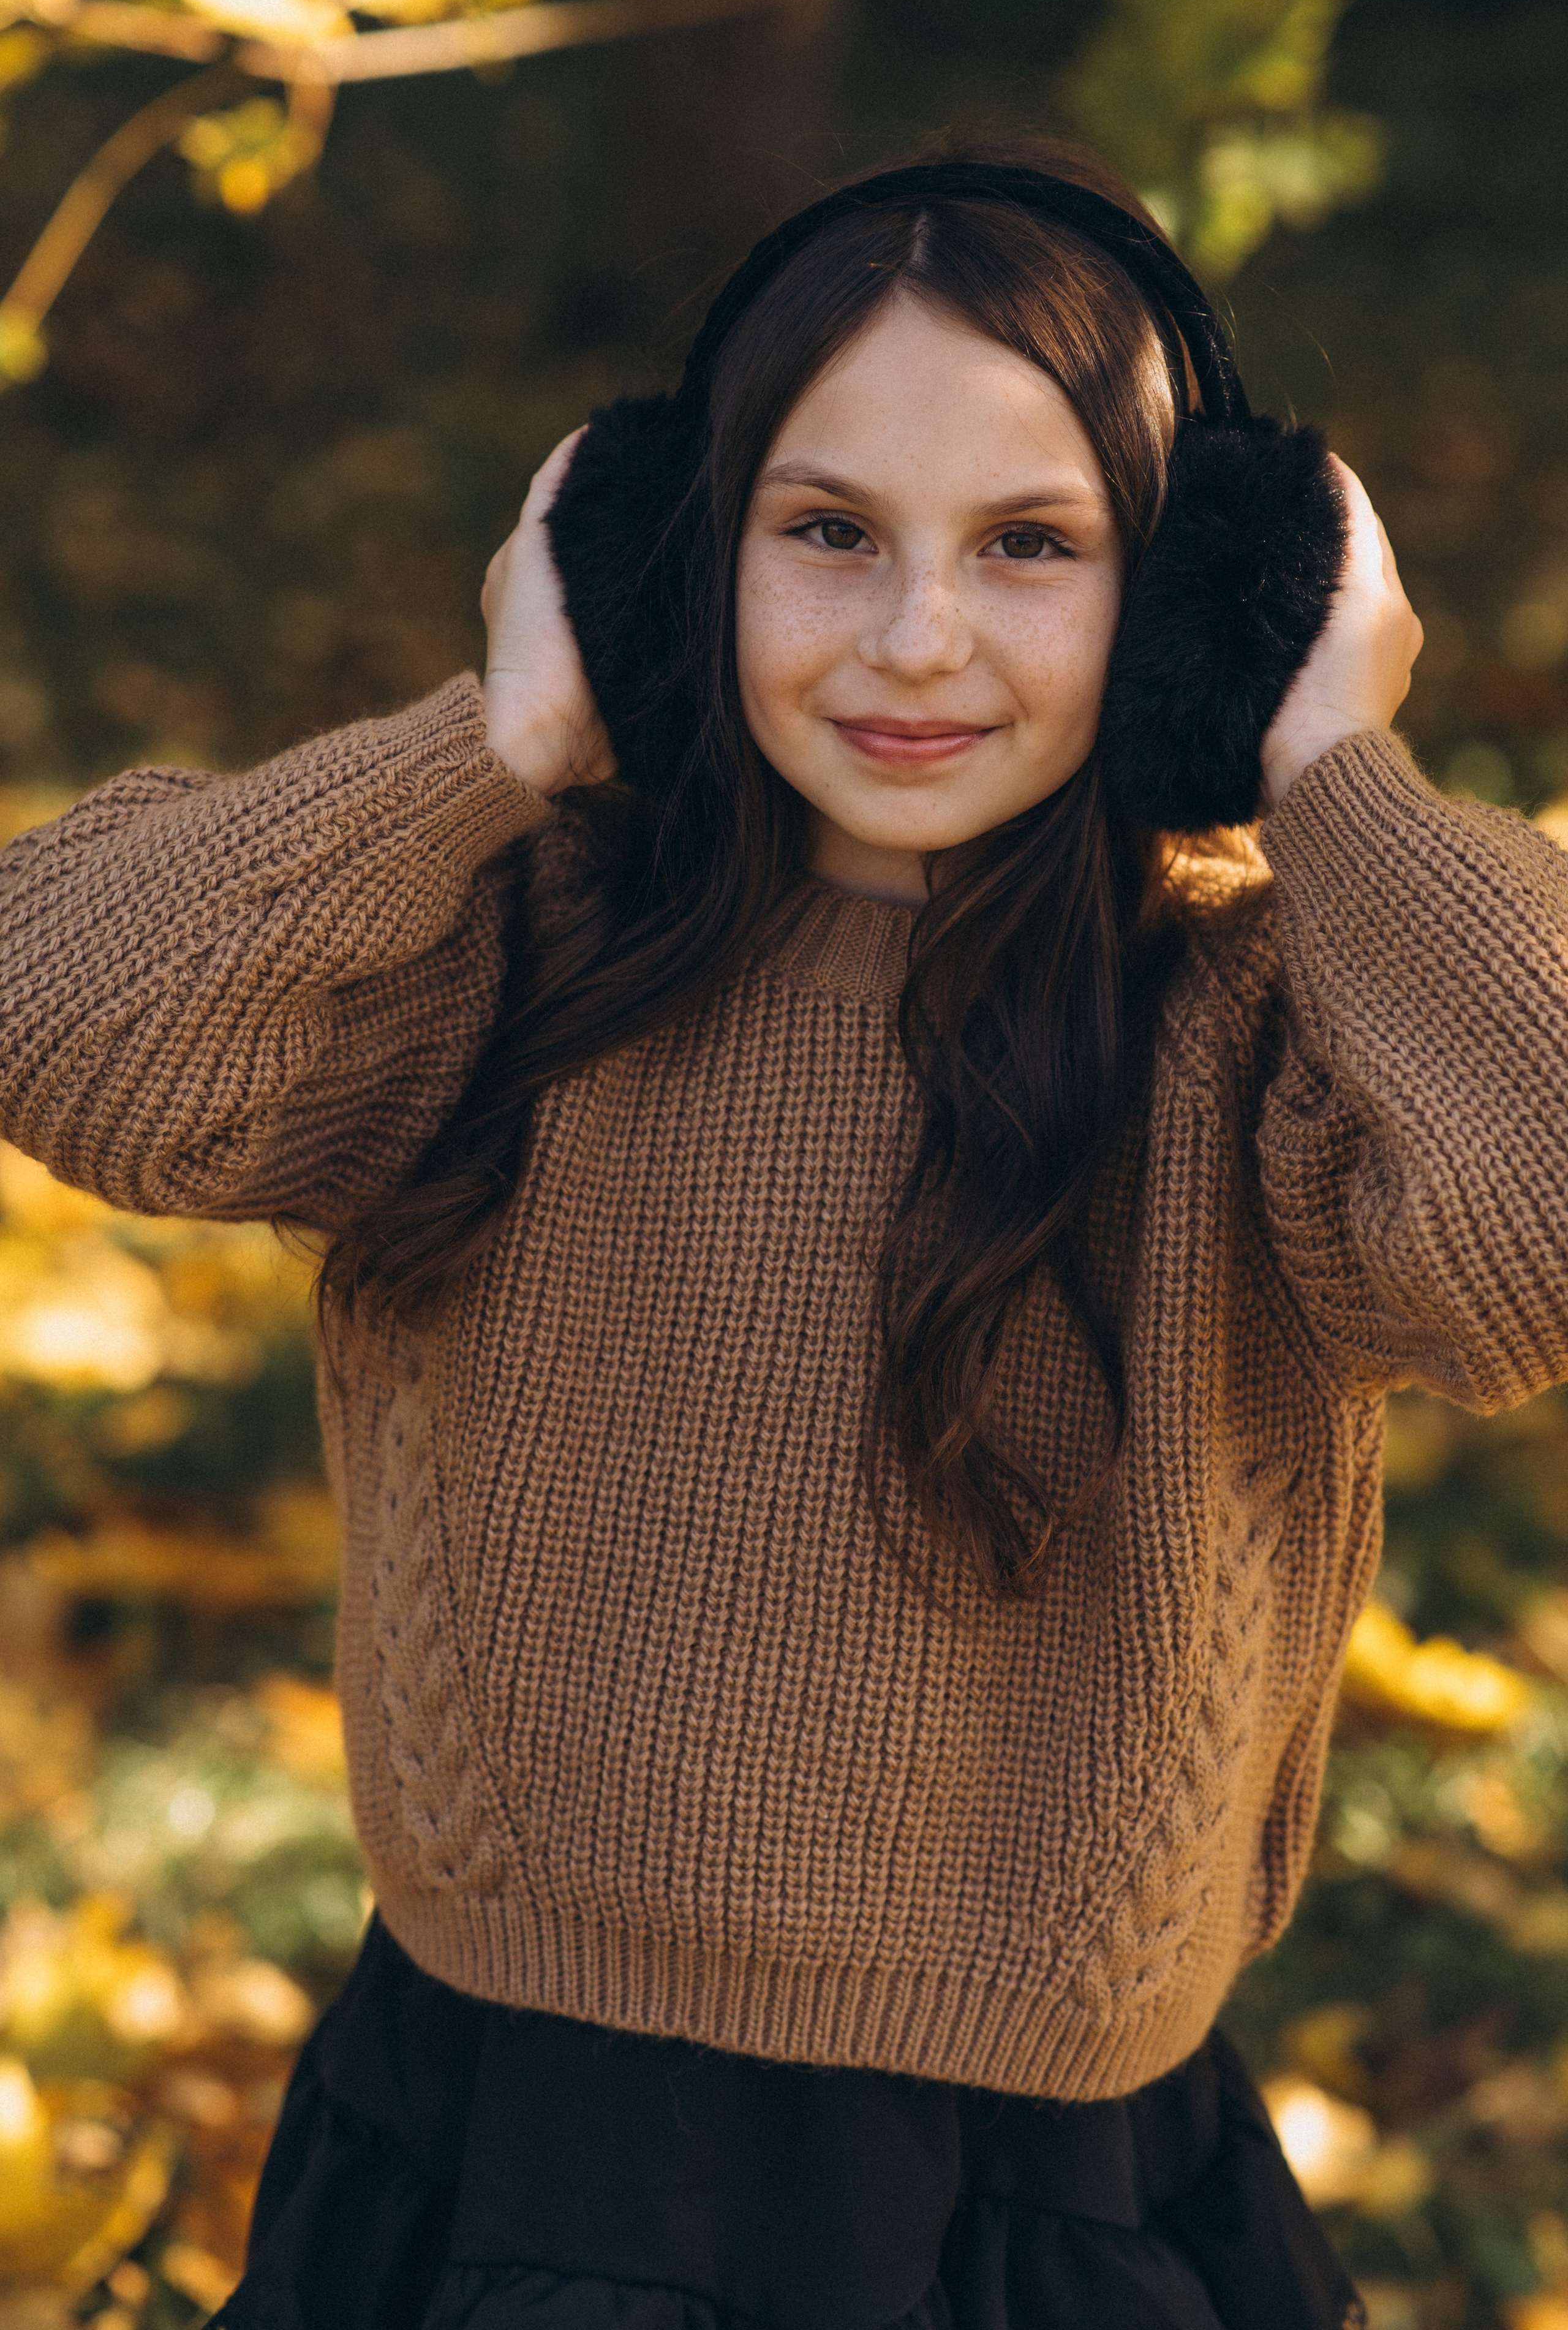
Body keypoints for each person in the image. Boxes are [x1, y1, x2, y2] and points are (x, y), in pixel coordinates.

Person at [3, 138, 1566, 2330]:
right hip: (516, 2135)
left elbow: (1539, 1226)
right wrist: (508, 735)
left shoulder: (1249, 1028)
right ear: (668, 557)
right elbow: (66, 1022)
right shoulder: (506, 942)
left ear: (1205, 598)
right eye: (825, 533)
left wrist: (1336, 772)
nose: (916, 639)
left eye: (1036, 546)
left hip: (1038, 2189)